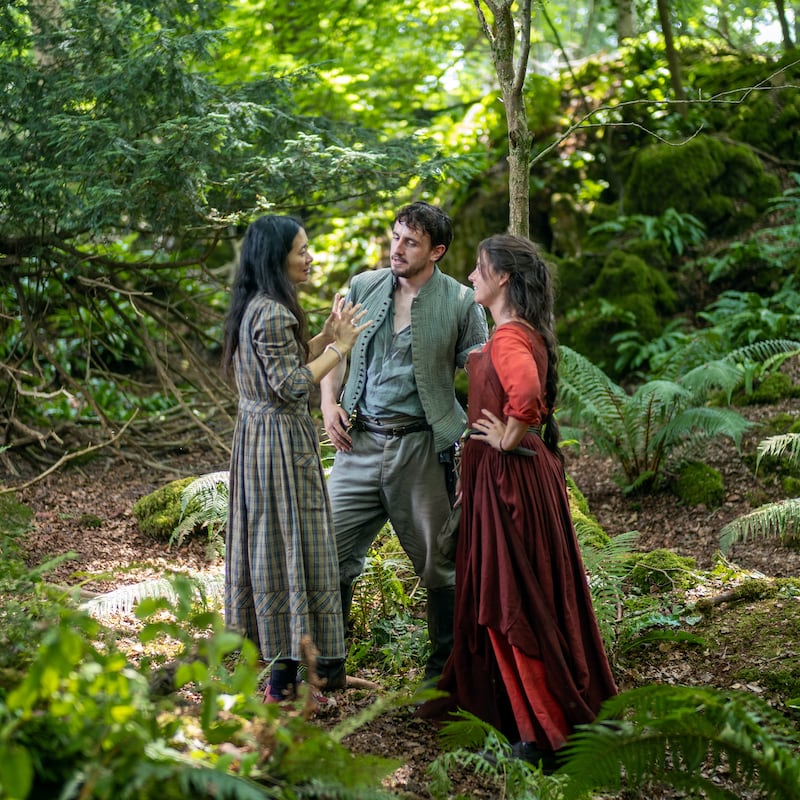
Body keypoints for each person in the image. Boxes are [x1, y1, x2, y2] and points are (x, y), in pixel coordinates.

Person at [418, 233, 617, 767]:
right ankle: (531, 729)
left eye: (480, 268)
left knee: (510, 603)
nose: (471, 275)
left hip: (510, 483)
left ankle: (547, 737)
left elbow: (526, 397)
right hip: (510, 479)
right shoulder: (520, 331)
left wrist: (506, 437)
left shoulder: (508, 337)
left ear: (504, 277)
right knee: (513, 600)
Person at [321, 201, 488, 683]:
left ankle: (444, 678)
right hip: (357, 444)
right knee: (327, 553)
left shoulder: (459, 302)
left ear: (436, 251)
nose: (397, 248)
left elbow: (481, 378)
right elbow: (332, 348)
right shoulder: (361, 286)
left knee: (440, 565)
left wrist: (477, 444)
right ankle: (327, 669)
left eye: (410, 242)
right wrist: (329, 403)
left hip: (421, 450)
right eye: (395, 237)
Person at [222, 214, 371, 702]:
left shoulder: (258, 307)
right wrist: (343, 347)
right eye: (302, 250)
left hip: (258, 441)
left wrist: (327, 338)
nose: (309, 257)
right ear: (276, 257)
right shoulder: (273, 312)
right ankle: (284, 687)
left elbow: (281, 365)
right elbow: (290, 386)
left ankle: (290, 681)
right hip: (280, 447)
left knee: (278, 549)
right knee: (293, 551)